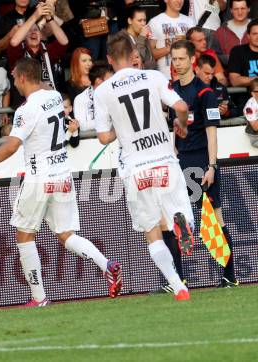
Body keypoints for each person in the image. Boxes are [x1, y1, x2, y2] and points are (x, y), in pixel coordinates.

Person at [0, 57, 122, 306]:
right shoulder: (55, 97)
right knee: (66, 235)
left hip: (39, 179)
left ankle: (39, 298)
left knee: (25, 236)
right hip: (62, 176)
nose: (14, 82)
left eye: (15, 77)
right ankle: (107, 264)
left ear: (23, 77)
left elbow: (11, 147)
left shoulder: (25, 110)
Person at [94, 33, 193, 301]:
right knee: (181, 213)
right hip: (164, 158)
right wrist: (180, 124)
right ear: (133, 52)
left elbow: (103, 137)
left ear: (109, 59)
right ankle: (182, 223)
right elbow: (182, 106)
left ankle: (178, 286)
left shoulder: (102, 91)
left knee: (151, 231)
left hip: (135, 168)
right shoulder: (153, 77)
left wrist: (120, 126)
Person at [170, 39, 238, 289]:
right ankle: (178, 280)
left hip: (201, 162)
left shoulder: (205, 93)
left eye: (181, 58)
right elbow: (174, 131)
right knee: (174, 220)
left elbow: (212, 134)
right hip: (180, 162)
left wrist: (211, 166)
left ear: (191, 61)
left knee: (214, 220)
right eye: (173, 59)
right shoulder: (172, 91)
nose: (177, 63)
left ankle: (230, 275)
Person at [8, 3, 68, 108]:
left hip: (49, 105)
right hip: (26, 107)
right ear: (24, 36)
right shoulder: (19, 53)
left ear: (41, 35)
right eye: (29, 31)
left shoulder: (48, 50)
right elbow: (14, 42)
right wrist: (35, 15)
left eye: (36, 30)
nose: (33, 33)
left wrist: (49, 18)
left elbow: (64, 41)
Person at [148, 0, 195, 79]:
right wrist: (170, 48)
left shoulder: (190, 21)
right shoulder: (155, 22)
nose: (179, 1)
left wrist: (187, 41)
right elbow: (150, 55)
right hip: (165, 76)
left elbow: (197, 50)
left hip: (189, 76)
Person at [195, 54, 240, 120]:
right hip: (196, 129)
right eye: (207, 73)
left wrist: (226, 112)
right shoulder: (187, 87)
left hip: (219, 128)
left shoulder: (220, 87)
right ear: (197, 70)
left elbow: (236, 111)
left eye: (212, 74)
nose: (210, 77)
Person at [73, 62, 112, 132]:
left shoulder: (116, 93)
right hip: (89, 140)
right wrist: (108, 120)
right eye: (110, 79)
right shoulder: (80, 98)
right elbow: (81, 126)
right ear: (98, 81)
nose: (113, 82)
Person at [215, 0, 250, 67]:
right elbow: (214, 55)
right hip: (229, 73)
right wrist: (230, 58)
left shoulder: (255, 28)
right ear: (231, 10)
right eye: (236, 9)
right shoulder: (220, 31)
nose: (239, 12)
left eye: (243, 8)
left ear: (248, 9)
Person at [120, 5, 156, 70]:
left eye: (144, 20)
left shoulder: (143, 36)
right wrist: (142, 37)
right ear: (130, 21)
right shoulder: (121, 39)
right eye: (139, 20)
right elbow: (137, 60)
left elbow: (150, 59)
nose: (143, 24)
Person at [243, 77, 258, 147]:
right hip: (255, 138)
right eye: (257, 91)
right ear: (252, 93)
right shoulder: (249, 107)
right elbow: (255, 127)